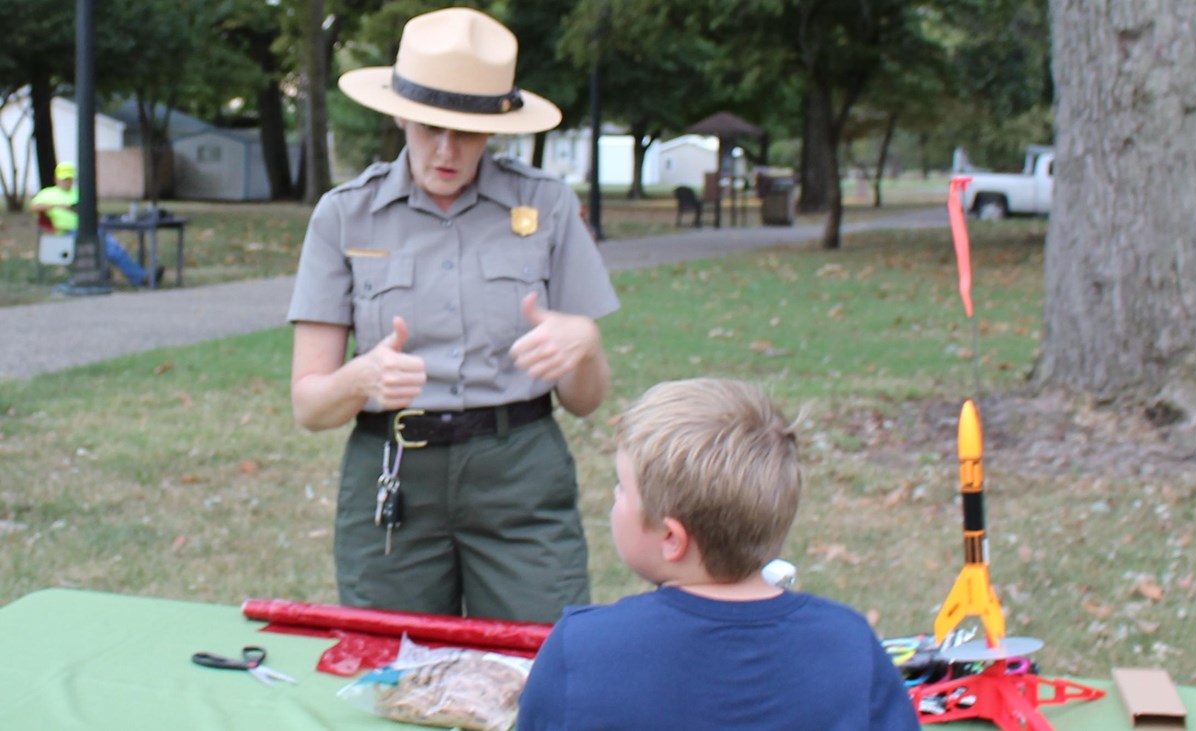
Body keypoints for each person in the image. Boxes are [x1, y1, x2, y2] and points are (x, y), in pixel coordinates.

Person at [286, 8, 618, 624]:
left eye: (467, 131)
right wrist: (361, 380)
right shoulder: (344, 216)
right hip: (395, 474)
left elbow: (586, 400)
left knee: (538, 669)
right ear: (401, 114)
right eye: (431, 125)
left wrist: (586, 346)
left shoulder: (543, 204)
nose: (446, 149)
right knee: (392, 678)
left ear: (496, 127)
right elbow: (309, 405)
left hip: (520, 473)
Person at [516, 379, 920, 730]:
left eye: (622, 487)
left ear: (672, 538)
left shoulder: (584, 649)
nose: (614, 499)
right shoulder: (848, 644)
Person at [29, 161, 161, 287]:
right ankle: (133, 277)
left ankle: (142, 278)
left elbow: (94, 211)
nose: (67, 182)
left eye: (70, 179)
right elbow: (34, 207)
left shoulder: (80, 192)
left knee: (114, 249)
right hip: (68, 233)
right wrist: (60, 206)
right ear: (56, 179)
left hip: (91, 228)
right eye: (64, 179)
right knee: (102, 248)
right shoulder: (48, 194)